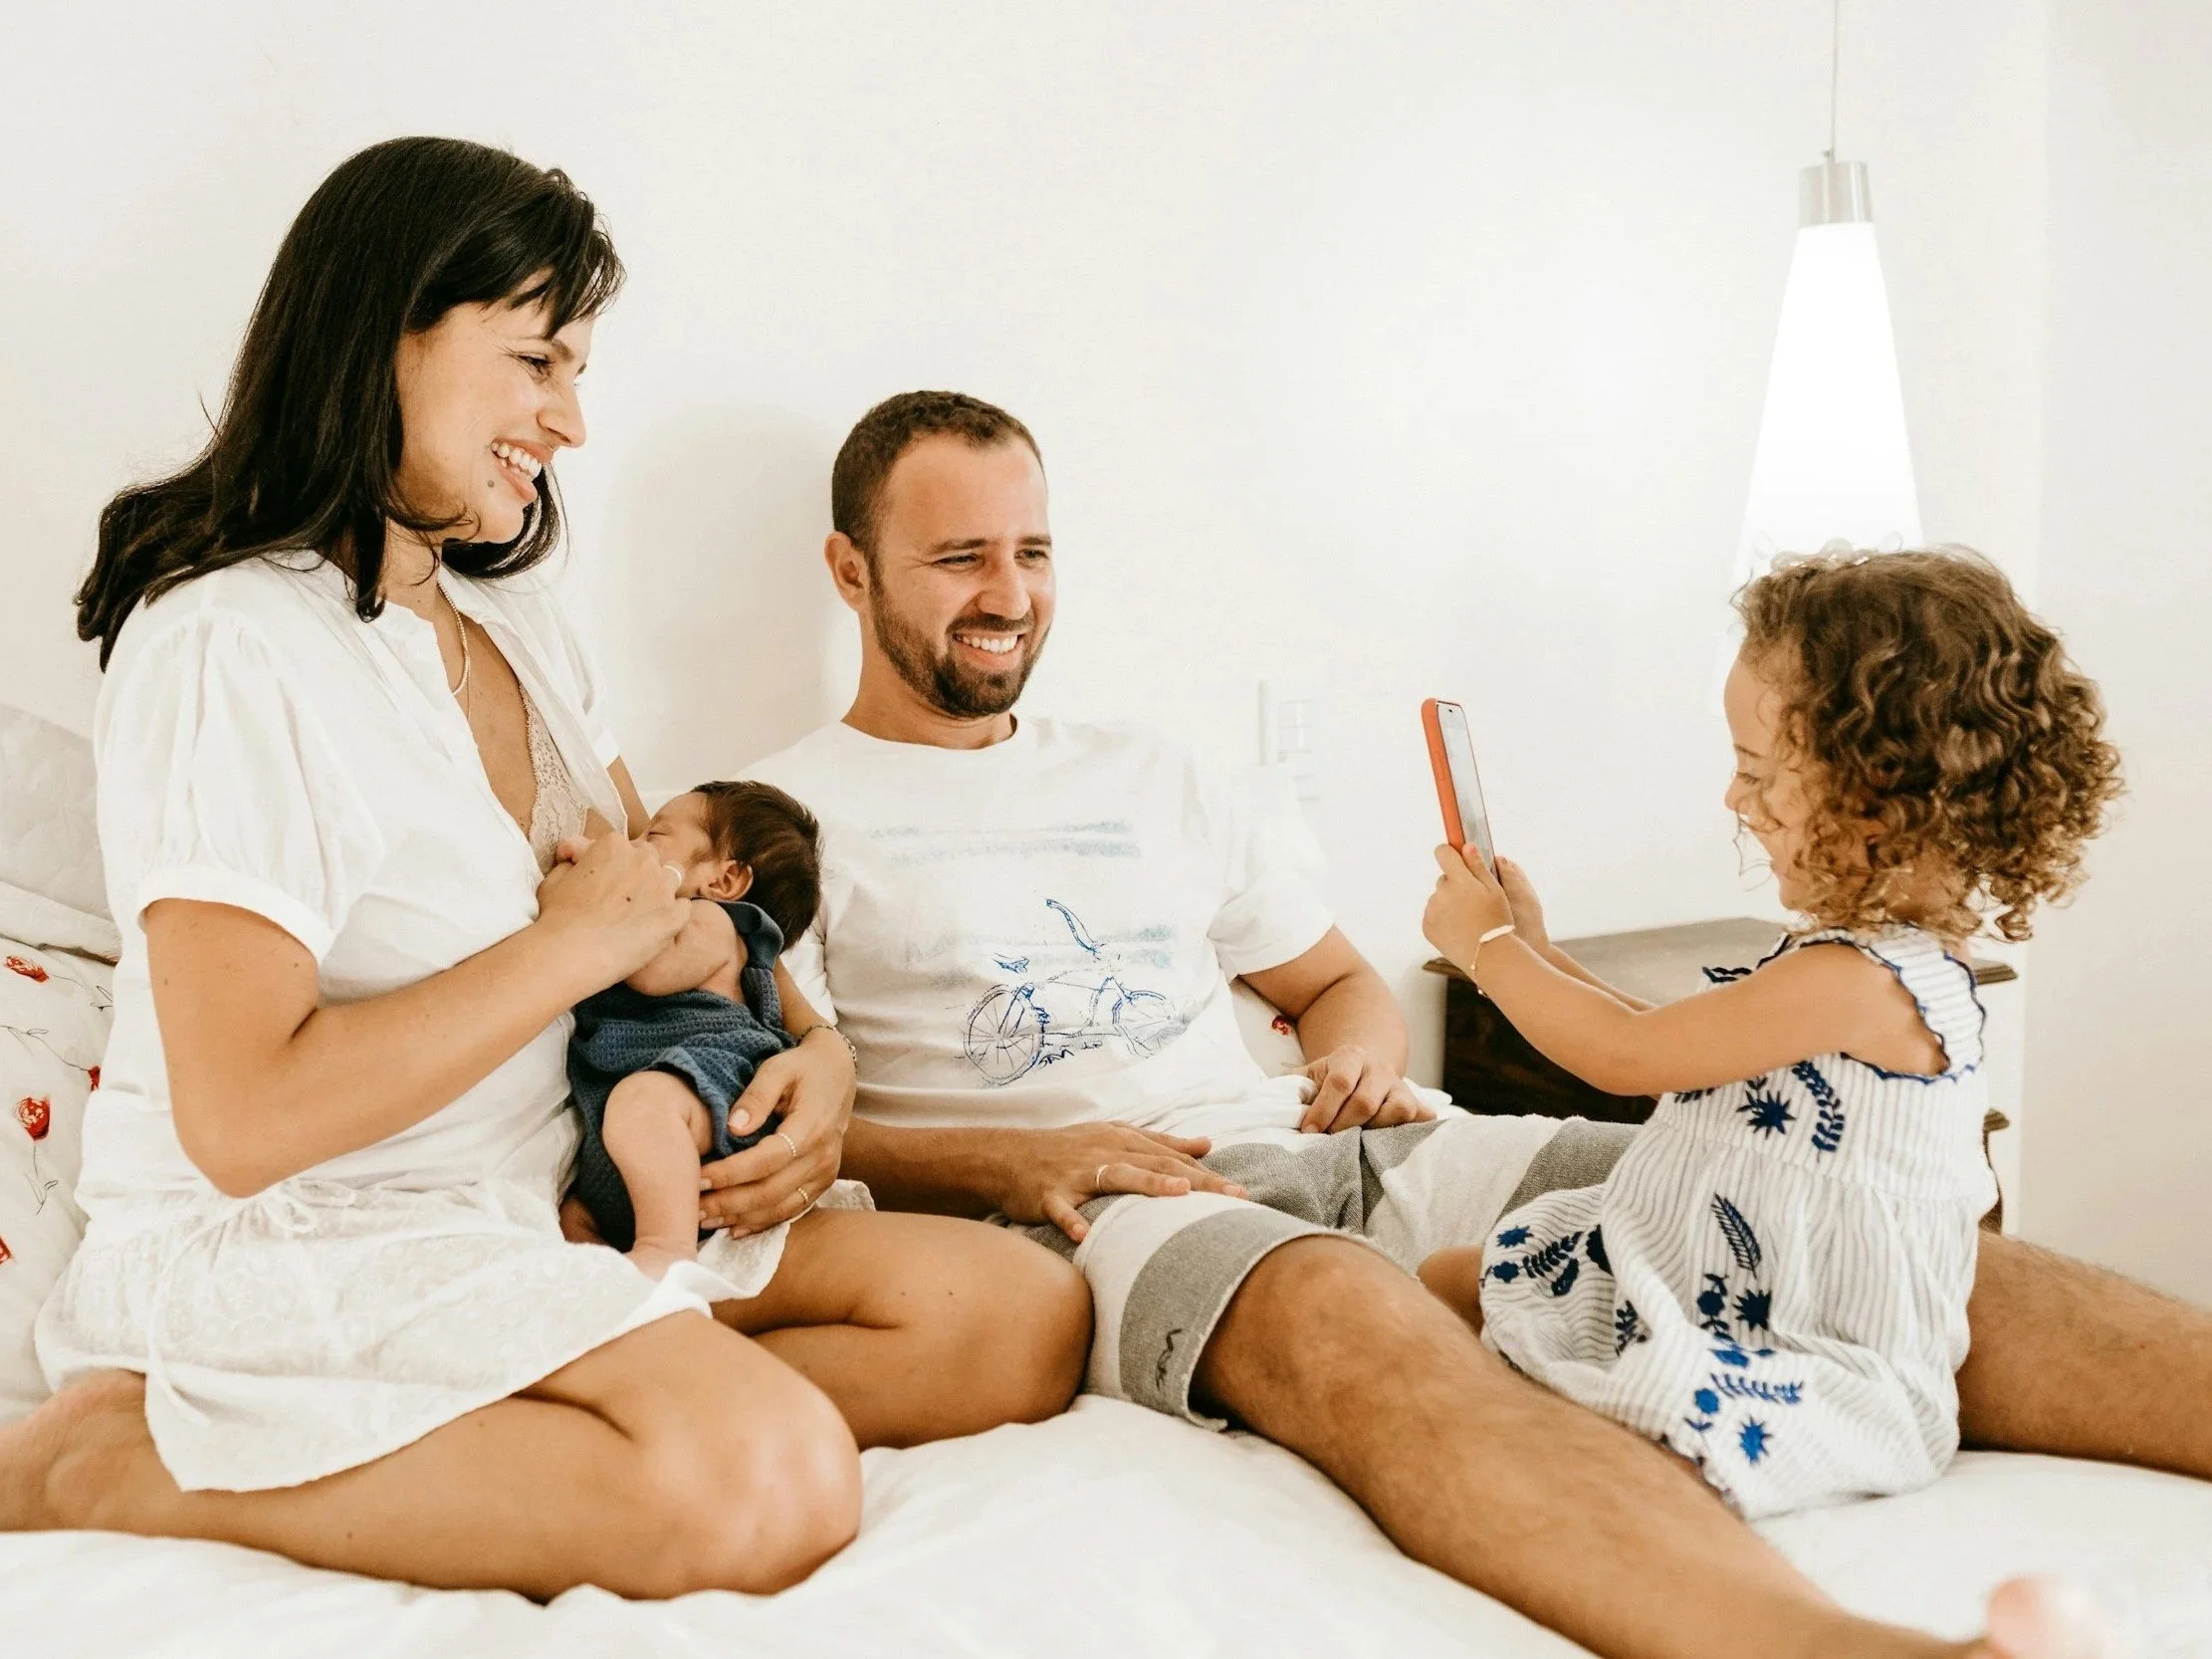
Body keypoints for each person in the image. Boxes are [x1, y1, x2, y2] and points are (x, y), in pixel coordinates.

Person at [739, 387, 2205, 1658]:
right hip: (1115, 1205)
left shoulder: (1154, 771)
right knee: (1353, 1318)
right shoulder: (778, 817)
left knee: (1795, 1199)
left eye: (1032, 550)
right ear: (847, 570)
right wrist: (1003, 1170)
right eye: (957, 557)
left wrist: (1362, 1056)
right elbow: (780, 1133)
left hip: (1352, 1138)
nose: (1007, 590)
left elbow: (1332, 987)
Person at [0, 142, 1089, 1599]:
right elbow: (243, 1116)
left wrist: (818, 1062)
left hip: (542, 1199)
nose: (569, 420)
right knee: (767, 1480)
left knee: (1011, 1314)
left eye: (576, 369)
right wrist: (565, 951)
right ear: (381, 333)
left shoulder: (516, 624)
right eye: (535, 363)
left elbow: (678, 899)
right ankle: (100, 1459)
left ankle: (532, 1393)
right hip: (301, 1233)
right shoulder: (229, 644)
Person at [1418, 549, 2121, 1521]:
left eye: (1755, 773)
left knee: (1632, 1409)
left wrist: (1486, 948)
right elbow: (1665, 1036)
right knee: (1453, 1278)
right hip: (1695, 1274)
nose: (1730, 801)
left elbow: (1621, 1059)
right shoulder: (1865, 958)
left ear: (1878, 790)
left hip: (1789, 1332)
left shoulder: (1856, 982)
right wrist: (1531, 947)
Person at [567, 782, 832, 1278]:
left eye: (655, 836)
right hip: (640, 1126)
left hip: (716, 1082)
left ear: (725, 880)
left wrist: (593, 872)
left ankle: (666, 1250)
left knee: (643, 1102)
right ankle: (606, 1273)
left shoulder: (712, 922)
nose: (631, 846)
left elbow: (648, 968)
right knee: (573, 1213)